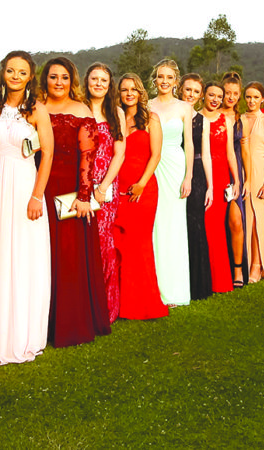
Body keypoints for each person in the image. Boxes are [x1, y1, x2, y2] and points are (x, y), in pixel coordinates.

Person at [0, 51, 53, 364]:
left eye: (22, 72)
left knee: (24, 256)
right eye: (11, 70)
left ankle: (22, 332)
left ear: (30, 77)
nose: (15, 76)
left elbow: (47, 154)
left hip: (25, 187)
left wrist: (37, 196)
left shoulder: (37, 109)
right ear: (3, 72)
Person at [39, 56, 111, 347]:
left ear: (72, 81)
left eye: (64, 77)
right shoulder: (36, 107)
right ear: (45, 79)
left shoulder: (80, 109)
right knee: (42, 252)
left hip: (68, 189)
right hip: (38, 185)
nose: (59, 82)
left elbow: (88, 156)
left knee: (68, 255)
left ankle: (70, 321)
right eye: (53, 76)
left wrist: (83, 196)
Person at [114, 73, 168, 320]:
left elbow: (156, 155)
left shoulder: (150, 119)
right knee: (120, 244)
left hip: (143, 190)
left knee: (139, 245)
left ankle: (144, 304)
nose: (129, 93)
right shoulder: (115, 118)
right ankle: (121, 303)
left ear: (140, 93)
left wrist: (141, 184)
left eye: (133, 89)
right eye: (125, 89)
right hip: (118, 189)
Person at [149, 59, 194, 307]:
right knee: (154, 224)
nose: (164, 81)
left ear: (176, 81)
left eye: (169, 77)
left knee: (174, 227)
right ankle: (153, 287)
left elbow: (189, 144)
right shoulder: (146, 105)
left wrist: (188, 176)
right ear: (155, 79)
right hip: (152, 166)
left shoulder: (184, 107)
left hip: (176, 169)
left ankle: (174, 290)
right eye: (160, 76)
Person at [84, 62, 125, 323]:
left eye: (104, 80)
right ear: (87, 81)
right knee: (83, 243)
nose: (98, 83)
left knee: (103, 242)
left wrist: (102, 187)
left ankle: (106, 306)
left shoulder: (116, 112)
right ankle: (84, 305)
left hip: (106, 188)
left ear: (109, 86)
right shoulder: (79, 108)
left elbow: (119, 153)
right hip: (81, 185)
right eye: (94, 78)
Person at [201, 82, 240, 293]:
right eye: (211, 95)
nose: (215, 99)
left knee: (217, 227)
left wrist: (236, 180)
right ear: (204, 96)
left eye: (219, 96)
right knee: (203, 226)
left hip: (222, 175)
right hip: (201, 175)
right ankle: (204, 279)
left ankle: (221, 280)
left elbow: (230, 153)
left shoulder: (226, 120)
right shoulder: (195, 118)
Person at [178, 73, 213, 299]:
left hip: (197, 174)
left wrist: (210, 186)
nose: (191, 94)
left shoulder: (203, 120)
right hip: (172, 170)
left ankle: (197, 285)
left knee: (195, 225)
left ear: (200, 96)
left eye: (196, 91)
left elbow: (206, 154)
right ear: (180, 89)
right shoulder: (170, 114)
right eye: (188, 89)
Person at [241, 81, 264, 282]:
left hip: (261, 173)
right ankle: (243, 264)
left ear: (262, 98)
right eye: (248, 97)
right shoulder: (240, 118)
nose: (252, 101)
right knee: (244, 220)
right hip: (242, 172)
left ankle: (257, 265)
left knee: (257, 221)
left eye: (255, 97)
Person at [221, 72, 250, 287]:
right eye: (227, 93)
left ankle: (238, 270)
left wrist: (247, 179)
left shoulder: (241, 119)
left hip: (235, 174)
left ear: (239, 95)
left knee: (236, 221)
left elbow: (245, 151)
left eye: (234, 93)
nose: (230, 97)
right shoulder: (213, 115)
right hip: (217, 168)